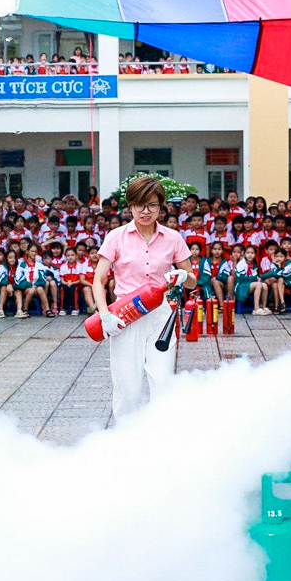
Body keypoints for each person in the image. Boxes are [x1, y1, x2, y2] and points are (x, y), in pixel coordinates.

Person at [92, 176, 195, 420]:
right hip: (125, 315)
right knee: (128, 386)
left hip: (161, 316)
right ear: (130, 206)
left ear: (161, 207)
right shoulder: (116, 237)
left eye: (152, 205)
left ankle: (159, 440)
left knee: (162, 381)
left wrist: (183, 276)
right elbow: (99, 279)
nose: (145, 211)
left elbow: (192, 279)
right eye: (139, 205)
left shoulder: (172, 238)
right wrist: (104, 315)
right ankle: (126, 442)